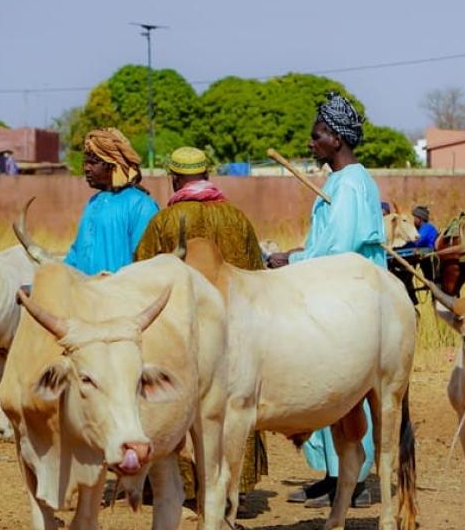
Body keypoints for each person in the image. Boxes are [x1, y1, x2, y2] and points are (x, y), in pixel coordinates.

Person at [267, 93, 383, 508]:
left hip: (349, 297)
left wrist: (292, 259)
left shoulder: (352, 183)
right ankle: (334, 475)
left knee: (346, 388)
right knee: (327, 384)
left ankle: (356, 480)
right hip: (328, 292)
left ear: (336, 138)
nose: (311, 143)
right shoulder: (338, 181)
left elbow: (341, 246)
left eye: (317, 136)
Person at [134, 146, 267, 506]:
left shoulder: (163, 223)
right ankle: (233, 485)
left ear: (174, 177)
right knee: (233, 404)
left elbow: (143, 276)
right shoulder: (236, 218)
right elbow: (257, 275)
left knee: (189, 406)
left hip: (184, 336)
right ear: (207, 175)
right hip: (235, 331)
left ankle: (190, 488)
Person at [64, 129, 159, 275]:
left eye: (93, 163)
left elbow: (146, 264)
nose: (86, 168)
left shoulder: (141, 205)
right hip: (84, 294)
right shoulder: (93, 203)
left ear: (113, 165)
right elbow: (75, 257)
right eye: (86, 162)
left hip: (119, 295)